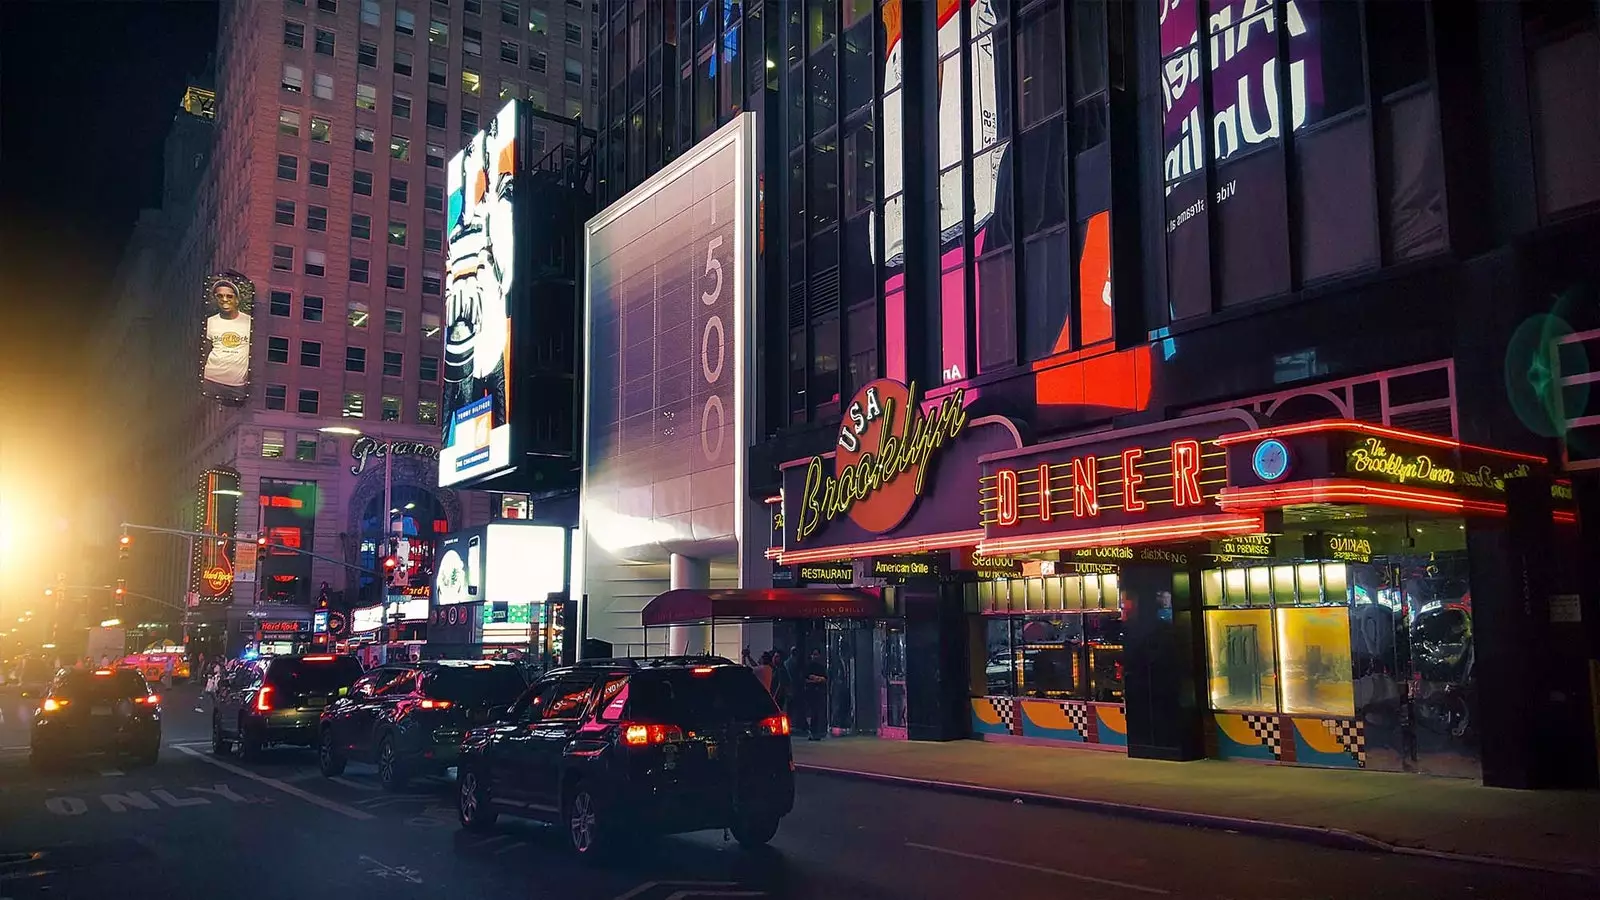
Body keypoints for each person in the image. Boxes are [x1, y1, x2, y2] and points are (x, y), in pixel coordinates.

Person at [202, 277, 252, 399]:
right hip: (210, 380)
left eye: (229, 296)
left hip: (238, 385)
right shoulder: (210, 322)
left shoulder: (249, 322)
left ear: (237, 299)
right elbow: (204, 351)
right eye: (220, 296)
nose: (224, 300)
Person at [803, 648, 828, 741]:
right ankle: (812, 732)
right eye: (814, 654)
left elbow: (825, 678)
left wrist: (816, 678)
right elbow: (806, 678)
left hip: (818, 693)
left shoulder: (821, 667)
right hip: (811, 693)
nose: (815, 656)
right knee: (812, 713)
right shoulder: (808, 666)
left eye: (817, 654)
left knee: (817, 713)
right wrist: (816, 679)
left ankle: (817, 732)